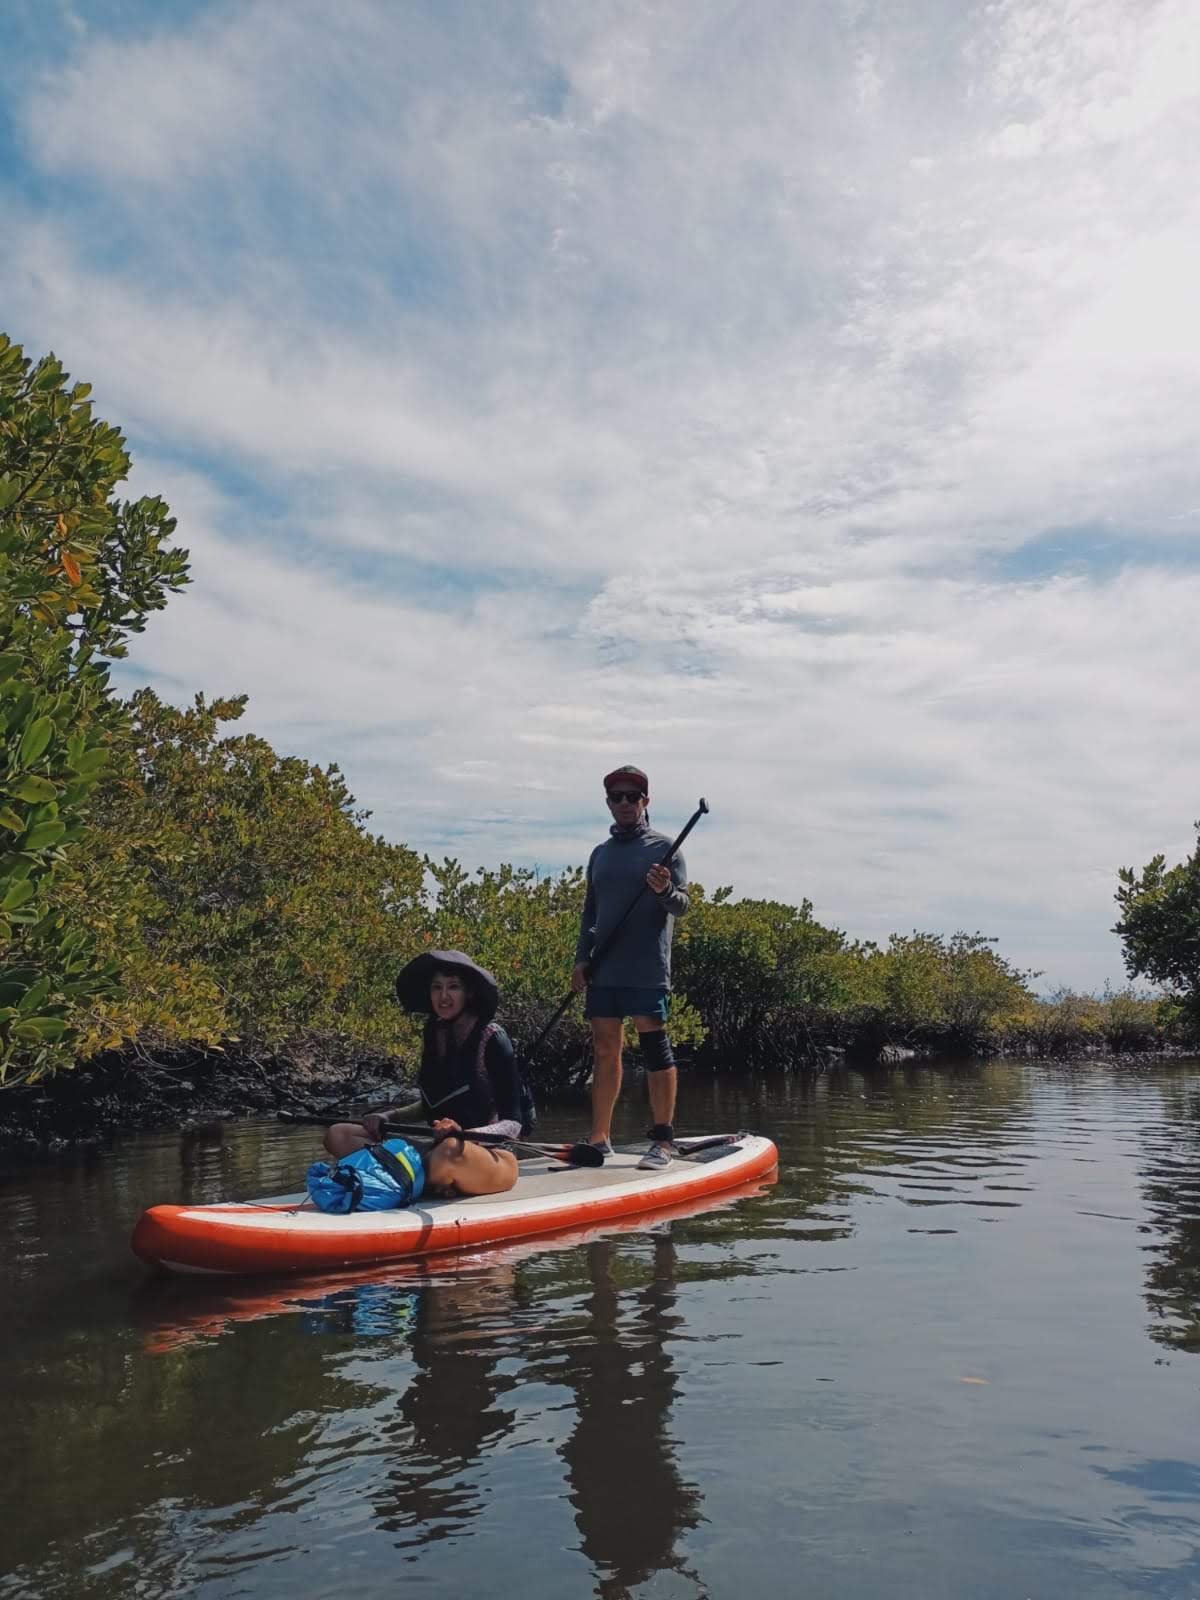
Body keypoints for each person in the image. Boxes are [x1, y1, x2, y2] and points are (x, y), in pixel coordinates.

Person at [323, 951, 520, 1199]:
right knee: (339, 1134)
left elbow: (514, 1124)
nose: (443, 996)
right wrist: (387, 1115)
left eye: (453, 987)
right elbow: (431, 1104)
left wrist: (461, 1134)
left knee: (447, 1152)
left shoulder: (493, 1038)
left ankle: (399, 1178)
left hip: (490, 1156)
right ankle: (427, 1181)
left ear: (469, 993)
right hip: (435, 1150)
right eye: (437, 987)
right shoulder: (433, 1032)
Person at [571, 765, 689, 1170]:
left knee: (655, 1047)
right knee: (605, 1050)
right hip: (604, 969)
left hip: (646, 969)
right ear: (608, 803)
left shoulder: (665, 850)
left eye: (632, 797)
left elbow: (682, 906)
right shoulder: (600, 855)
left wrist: (665, 889)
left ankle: (663, 1142)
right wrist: (581, 959)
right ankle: (600, 1138)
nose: (624, 803)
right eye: (616, 797)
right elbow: (591, 911)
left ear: (645, 803)